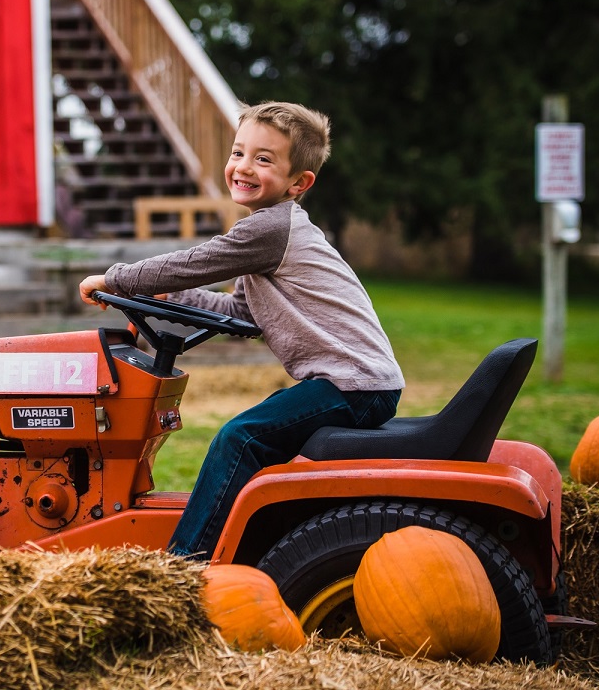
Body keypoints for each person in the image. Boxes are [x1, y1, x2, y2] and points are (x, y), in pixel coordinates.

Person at [78, 101, 404, 560]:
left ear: (299, 183)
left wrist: (115, 279)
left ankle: (182, 565)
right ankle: (238, 543)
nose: (243, 167)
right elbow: (244, 313)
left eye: (263, 159)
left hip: (354, 385)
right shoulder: (269, 234)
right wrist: (172, 300)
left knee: (241, 436)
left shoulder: (270, 230)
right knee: (251, 431)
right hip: (351, 384)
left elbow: (189, 264)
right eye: (238, 153)